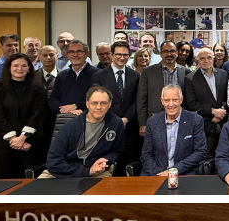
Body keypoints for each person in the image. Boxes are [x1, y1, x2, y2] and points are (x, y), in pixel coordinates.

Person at [43, 85, 124, 178]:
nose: (98, 107)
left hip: (97, 171)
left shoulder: (116, 123)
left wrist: (106, 160)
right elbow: (53, 162)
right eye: (94, 103)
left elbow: (117, 150)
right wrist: (86, 171)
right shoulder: (70, 126)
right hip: (65, 170)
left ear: (109, 104)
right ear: (87, 104)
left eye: (103, 103)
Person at [0, 53, 46, 179]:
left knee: (28, 181)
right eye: (15, 65)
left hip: (30, 141)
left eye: (23, 66)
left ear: (29, 68)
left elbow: (37, 113)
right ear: (9, 68)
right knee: (3, 181)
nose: (19, 69)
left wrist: (23, 137)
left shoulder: (37, 88)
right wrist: (13, 138)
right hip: (4, 141)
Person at [92, 40, 140, 175]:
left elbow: (137, 100)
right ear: (112, 55)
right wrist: (115, 120)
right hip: (106, 126)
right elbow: (97, 101)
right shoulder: (99, 75)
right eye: (118, 54)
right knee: (107, 167)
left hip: (129, 127)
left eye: (125, 55)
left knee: (128, 166)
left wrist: (125, 119)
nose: (122, 57)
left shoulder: (135, 75)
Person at [140, 84, 208, 176]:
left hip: (184, 173)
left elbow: (201, 151)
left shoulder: (195, 120)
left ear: (181, 99)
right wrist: (158, 174)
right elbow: (146, 154)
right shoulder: (152, 122)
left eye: (175, 100)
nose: (171, 104)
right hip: (156, 173)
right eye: (167, 100)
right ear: (162, 101)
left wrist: (173, 171)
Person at [184, 47, 229, 154]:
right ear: (197, 60)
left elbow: (227, 97)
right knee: (205, 156)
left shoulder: (223, 74)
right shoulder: (190, 78)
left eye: (209, 57)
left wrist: (221, 112)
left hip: (223, 121)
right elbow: (191, 103)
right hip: (203, 123)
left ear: (213, 58)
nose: (206, 60)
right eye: (202, 58)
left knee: (222, 155)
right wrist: (212, 111)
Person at [138, 40, 188, 137]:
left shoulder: (185, 72)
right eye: (166, 51)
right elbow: (141, 99)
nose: (169, 54)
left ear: (176, 53)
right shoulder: (148, 72)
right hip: (154, 117)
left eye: (172, 51)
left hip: (179, 119)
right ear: (160, 54)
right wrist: (142, 123)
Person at [48, 40, 95, 115]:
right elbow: (53, 99)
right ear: (67, 55)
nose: (75, 54)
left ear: (86, 54)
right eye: (71, 52)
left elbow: (99, 99)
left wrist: (76, 106)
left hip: (89, 119)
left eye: (79, 51)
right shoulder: (61, 75)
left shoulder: (98, 74)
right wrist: (64, 109)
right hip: (64, 118)